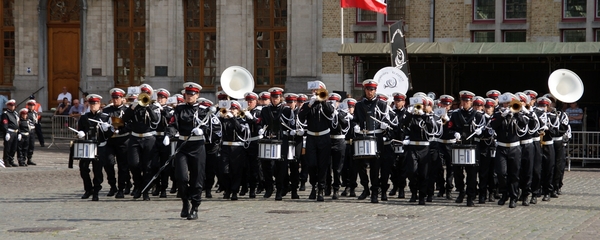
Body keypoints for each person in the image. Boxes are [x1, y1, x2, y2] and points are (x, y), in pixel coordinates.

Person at [166, 82, 212, 220]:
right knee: (181, 177)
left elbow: (210, 127)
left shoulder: (204, 110)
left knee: (197, 178)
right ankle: (185, 202)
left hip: (197, 146)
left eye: (192, 94)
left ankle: (195, 207)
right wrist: (168, 135)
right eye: (187, 94)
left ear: (197, 95)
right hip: (183, 145)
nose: (189, 96)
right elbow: (173, 124)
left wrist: (201, 130)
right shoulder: (179, 109)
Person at [351, 80, 395, 203]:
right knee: (361, 165)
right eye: (368, 90)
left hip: (377, 137)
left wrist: (385, 125)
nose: (370, 92)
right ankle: (365, 188)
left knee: (376, 166)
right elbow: (355, 119)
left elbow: (387, 119)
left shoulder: (382, 104)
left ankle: (375, 191)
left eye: (372, 90)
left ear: (375, 90)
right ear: (364, 90)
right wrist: (355, 125)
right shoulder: (359, 105)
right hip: (363, 135)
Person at [122, 84, 161, 201]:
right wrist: (132, 107)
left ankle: (145, 190)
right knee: (133, 164)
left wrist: (148, 106)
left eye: (147, 94)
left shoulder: (154, 107)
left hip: (149, 138)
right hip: (135, 138)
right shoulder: (135, 107)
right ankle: (138, 185)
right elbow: (124, 119)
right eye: (143, 93)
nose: (144, 95)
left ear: (150, 95)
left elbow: (155, 120)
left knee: (147, 166)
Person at [298, 82, 335, 202]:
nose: (315, 93)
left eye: (317, 91)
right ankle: (313, 186)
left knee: (323, 165)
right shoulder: (308, 104)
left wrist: (323, 101)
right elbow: (301, 116)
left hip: (324, 137)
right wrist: (309, 104)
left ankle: (321, 189)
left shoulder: (327, 104)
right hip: (311, 137)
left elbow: (331, 113)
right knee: (312, 164)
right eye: (314, 91)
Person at [75, 94, 114, 201]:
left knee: (97, 170)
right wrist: (80, 133)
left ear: (99, 105)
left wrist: (107, 129)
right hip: (87, 146)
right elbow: (80, 130)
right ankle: (88, 189)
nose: (93, 106)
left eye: (95, 104)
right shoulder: (84, 117)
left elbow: (110, 135)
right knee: (83, 168)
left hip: (100, 146)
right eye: (91, 104)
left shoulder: (105, 117)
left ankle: (96, 190)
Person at [103, 88, 132, 198]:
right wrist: (104, 128)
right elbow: (103, 122)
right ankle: (112, 186)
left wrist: (121, 130)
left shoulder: (127, 110)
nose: (115, 100)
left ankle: (121, 188)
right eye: (113, 98)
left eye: (117, 98)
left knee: (123, 166)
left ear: (122, 98)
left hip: (123, 140)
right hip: (111, 140)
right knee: (108, 163)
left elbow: (130, 125)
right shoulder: (107, 110)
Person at [2, 99, 19, 167]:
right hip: (9, 132)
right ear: (8, 106)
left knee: (14, 148)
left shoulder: (15, 113)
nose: (12, 107)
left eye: (13, 106)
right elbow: (5, 123)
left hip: (15, 132)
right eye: (11, 106)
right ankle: (6, 161)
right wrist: (7, 132)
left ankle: (11, 160)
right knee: (8, 148)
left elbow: (18, 124)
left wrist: (19, 132)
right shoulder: (5, 114)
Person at [25, 100, 40, 166]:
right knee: (26, 145)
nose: (32, 107)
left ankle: (29, 159)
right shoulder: (26, 112)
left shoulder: (35, 113)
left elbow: (35, 121)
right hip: (27, 129)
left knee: (32, 145)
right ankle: (23, 159)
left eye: (33, 105)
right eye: (30, 105)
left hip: (33, 130)